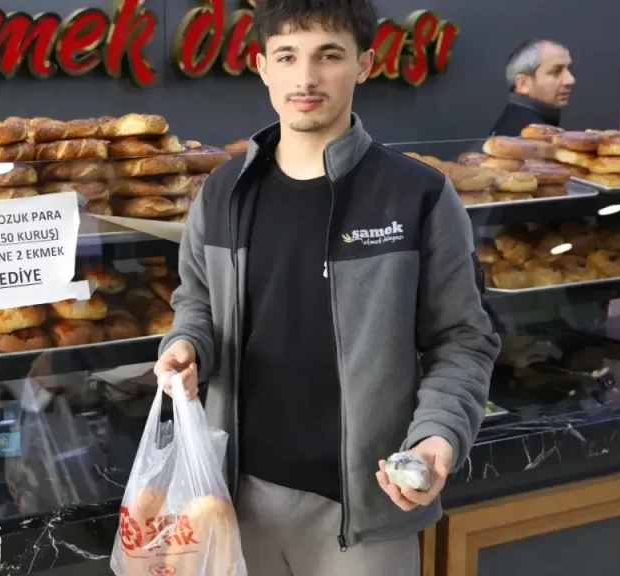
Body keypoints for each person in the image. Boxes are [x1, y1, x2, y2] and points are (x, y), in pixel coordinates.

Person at [152, 0, 500, 573]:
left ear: (364, 63)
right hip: (234, 500)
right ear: (263, 67)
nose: (306, 77)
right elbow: (196, 301)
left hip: (367, 511)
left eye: (329, 55)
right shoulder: (221, 193)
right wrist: (187, 346)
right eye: (287, 56)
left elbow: (463, 339)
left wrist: (439, 434)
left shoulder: (418, 195)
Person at [490, 38, 575, 136]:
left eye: (569, 69)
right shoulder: (532, 142)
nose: (570, 80)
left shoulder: (508, 126)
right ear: (523, 84)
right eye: (556, 72)